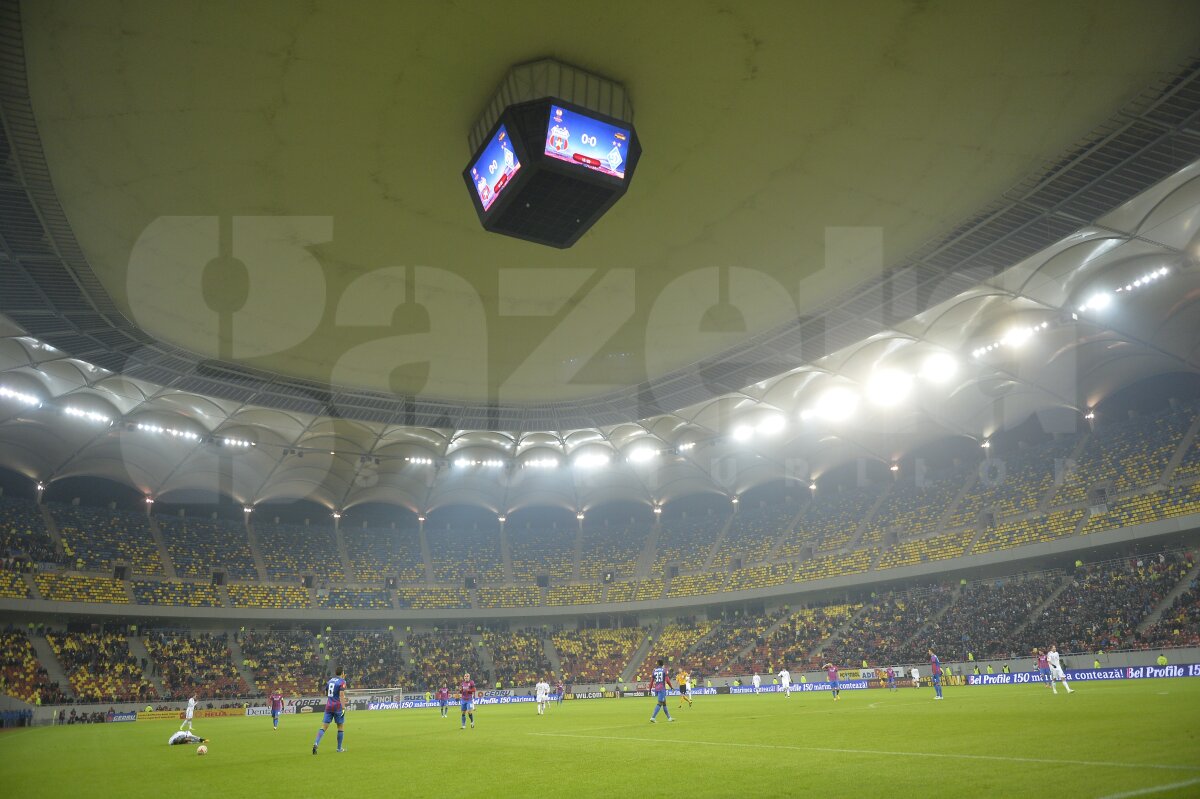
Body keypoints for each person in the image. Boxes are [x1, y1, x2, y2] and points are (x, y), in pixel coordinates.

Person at [312, 666, 347, 755]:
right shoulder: (342, 682)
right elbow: (341, 695)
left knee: (323, 727)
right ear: (342, 673)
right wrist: (343, 707)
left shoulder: (330, 681)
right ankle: (339, 748)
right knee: (340, 727)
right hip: (338, 706)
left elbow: (326, 692)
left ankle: (316, 743)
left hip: (329, 706)